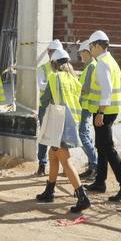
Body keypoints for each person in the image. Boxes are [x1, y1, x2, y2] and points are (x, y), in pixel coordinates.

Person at [34, 46, 92, 213]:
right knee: (53, 156)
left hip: (59, 122)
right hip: (72, 120)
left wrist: (38, 112)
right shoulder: (74, 79)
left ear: (54, 64)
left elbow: (46, 100)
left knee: (64, 160)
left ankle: (82, 197)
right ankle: (49, 191)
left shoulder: (54, 77)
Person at [81, 30, 121, 202]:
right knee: (101, 147)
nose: (90, 50)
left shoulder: (102, 63)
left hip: (105, 111)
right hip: (110, 110)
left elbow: (107, 90)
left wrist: (101, 112)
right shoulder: (111, 61)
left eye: (91, 46)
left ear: (96, 45)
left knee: (108, 148)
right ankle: (100, 182)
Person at [35, 40, 60, 176]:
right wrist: (56, 81)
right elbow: (42, 85)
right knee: (44, 135)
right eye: (53, 52)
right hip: (45, 106)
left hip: (58, 106)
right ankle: (42, 164)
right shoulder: (42, 68)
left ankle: (57, 165)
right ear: (49, 53)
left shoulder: (64, 68)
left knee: (58, 137)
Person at [77, 44, 99, 180]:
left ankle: (95, 165)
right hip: (86, 105)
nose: (80, 56)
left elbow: (85, 88)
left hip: (86, 105)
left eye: (81, 53)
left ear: (87, 52)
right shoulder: (90, 65)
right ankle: (92, 165)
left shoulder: (91, 66)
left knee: (83, 135)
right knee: (86, 135)